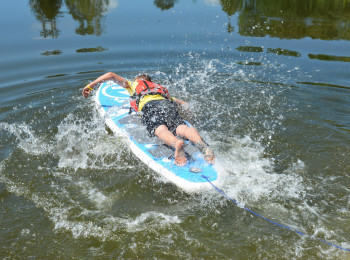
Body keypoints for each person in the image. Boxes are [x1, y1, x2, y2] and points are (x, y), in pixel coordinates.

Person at [82, 72, 215, 166]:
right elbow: (184, 104)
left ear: (137, 81)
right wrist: (193, 115)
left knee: (160, 129)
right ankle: (203, 145)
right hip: (167, 104)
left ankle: (176, 144)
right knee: (181, 127)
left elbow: (110, 75)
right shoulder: (161, 90)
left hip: (150, 107)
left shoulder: (133, 85)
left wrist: (90, 86)